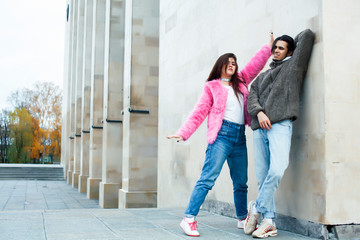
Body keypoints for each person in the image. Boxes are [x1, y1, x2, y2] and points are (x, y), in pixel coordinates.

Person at [167, 32, 274, 237]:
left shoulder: (241, 82)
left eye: (234, 62)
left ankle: (242, 219)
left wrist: (268, 49)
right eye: (228, 62)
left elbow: (255, 64)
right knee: (208, 179)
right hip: (221, 137)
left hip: (239, 138)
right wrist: (183, 133)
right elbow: (199, 112)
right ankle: (188, 218)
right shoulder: (212, 87)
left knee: (241, 182)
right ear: (221, 65)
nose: (232, 65)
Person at [244, 29, 315, 238]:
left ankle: (255, 208)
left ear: (290, 52)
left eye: (280, 48)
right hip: (260, 128)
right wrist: (260, 112)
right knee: (263, 176)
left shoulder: (293, 67)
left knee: (277, 169)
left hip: (280, 126)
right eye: (274, 48)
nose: (275, 51)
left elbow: (308, 35)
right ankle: (269, 221)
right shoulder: (262, 76)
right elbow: (251, 96)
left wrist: (281, 40)